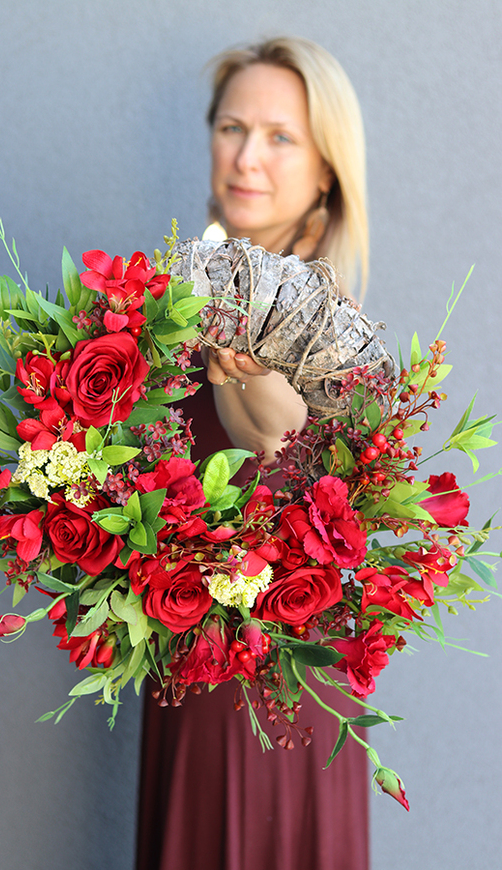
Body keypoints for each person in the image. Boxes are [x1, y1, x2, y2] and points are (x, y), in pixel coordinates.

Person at [136, 37, 370, 870]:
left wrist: (256, 371)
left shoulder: (327, 324)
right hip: (187, 677)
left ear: (326, 171)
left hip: (280, 701)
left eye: (280, 137)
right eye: (232, 127)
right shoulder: (170, 303)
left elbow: (277, 436)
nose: (246, 157)